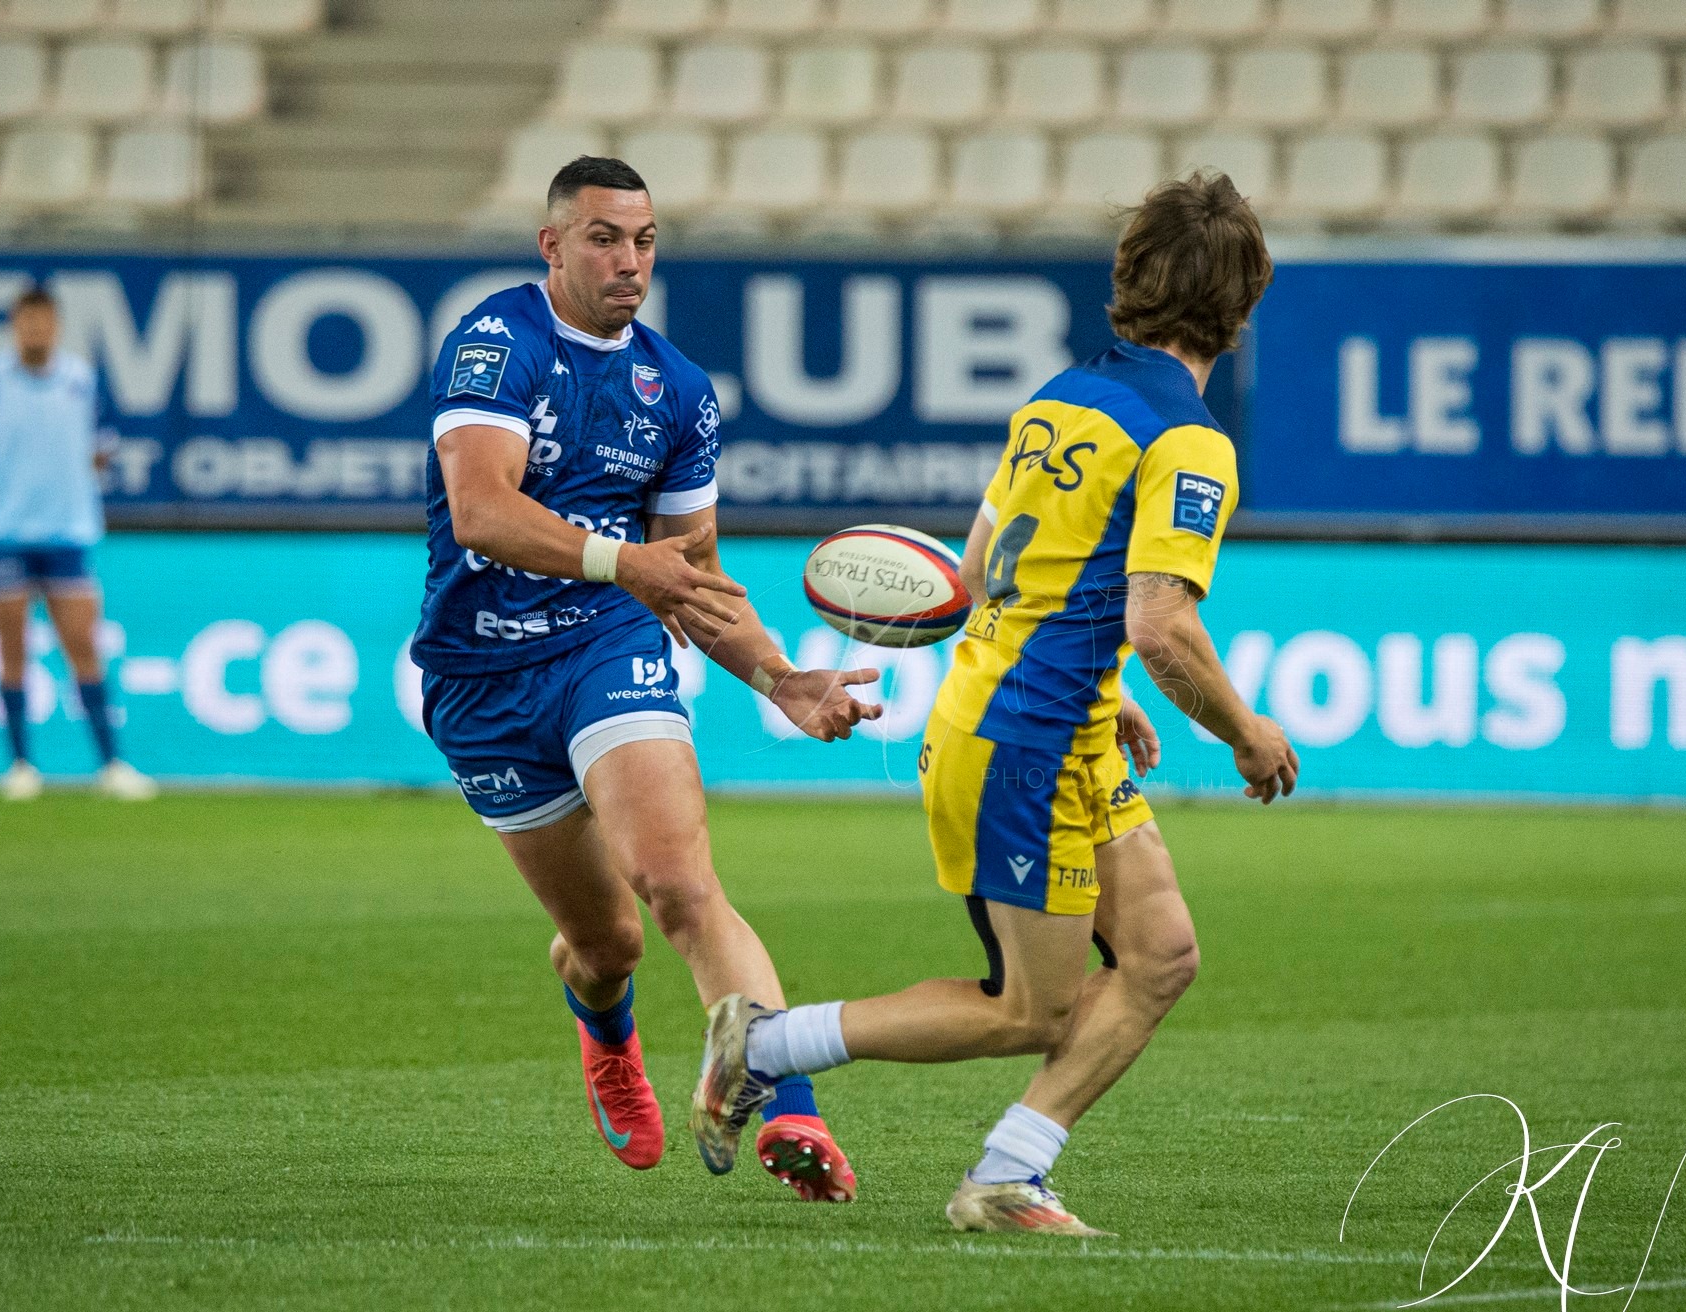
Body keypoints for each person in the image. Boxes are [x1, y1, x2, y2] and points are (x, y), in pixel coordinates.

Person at [691, 173, 1301, 1233]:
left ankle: (1009, 1172)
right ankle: (764, 1045)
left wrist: (1100, 698)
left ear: (1129, 281)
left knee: (1159, 955)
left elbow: (980, 569)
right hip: (1021, 740)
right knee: (1028, 1008)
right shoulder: (1190, 442)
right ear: (1241, 306)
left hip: (1051, 723)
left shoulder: (1058, 396)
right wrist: (1247, 736)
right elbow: (1159, 624)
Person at [417, 156, 879, 1199]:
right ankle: (606, 1032)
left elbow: (692, 573)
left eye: (645, 240)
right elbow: (481, 509)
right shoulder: (496, 342)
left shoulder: (676, 389)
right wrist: (626, 559)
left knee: (675, 882)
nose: (629, 262)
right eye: (602, 238)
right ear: (552, 245)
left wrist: (777, 676)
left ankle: (786, 1112)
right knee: (604, 939)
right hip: (479, 675)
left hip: (604, 648)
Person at [0, 286, 155, 803]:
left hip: (66, 533)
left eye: (44, 321)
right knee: (13, 650)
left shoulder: (81, 381)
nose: (36, 330)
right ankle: (21, 765)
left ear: (57, 326)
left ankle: (111, 763)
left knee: (84, 647)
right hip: (2, 534)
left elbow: (101, 450)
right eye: (28, 321)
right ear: (14, 325)